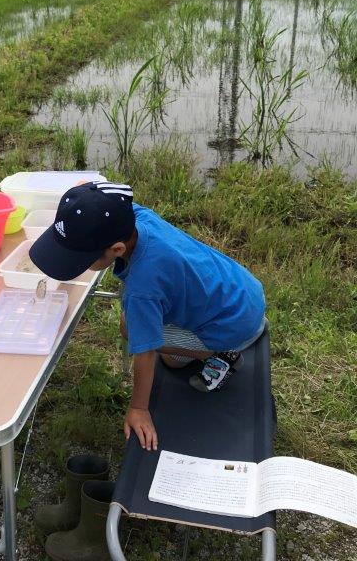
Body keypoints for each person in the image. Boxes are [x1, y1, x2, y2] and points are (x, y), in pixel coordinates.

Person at [29, 181, 266, 452]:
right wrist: (85, 195)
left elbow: (146, 351)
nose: (79, 263)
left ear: (117, 249)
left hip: (234, 326)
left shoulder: (143, 288)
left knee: (138, 336)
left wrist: (139, 408)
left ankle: (220, 355)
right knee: (138, 320)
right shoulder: (138, 217)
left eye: (82, 258)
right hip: (244, 291)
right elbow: (107, 197)